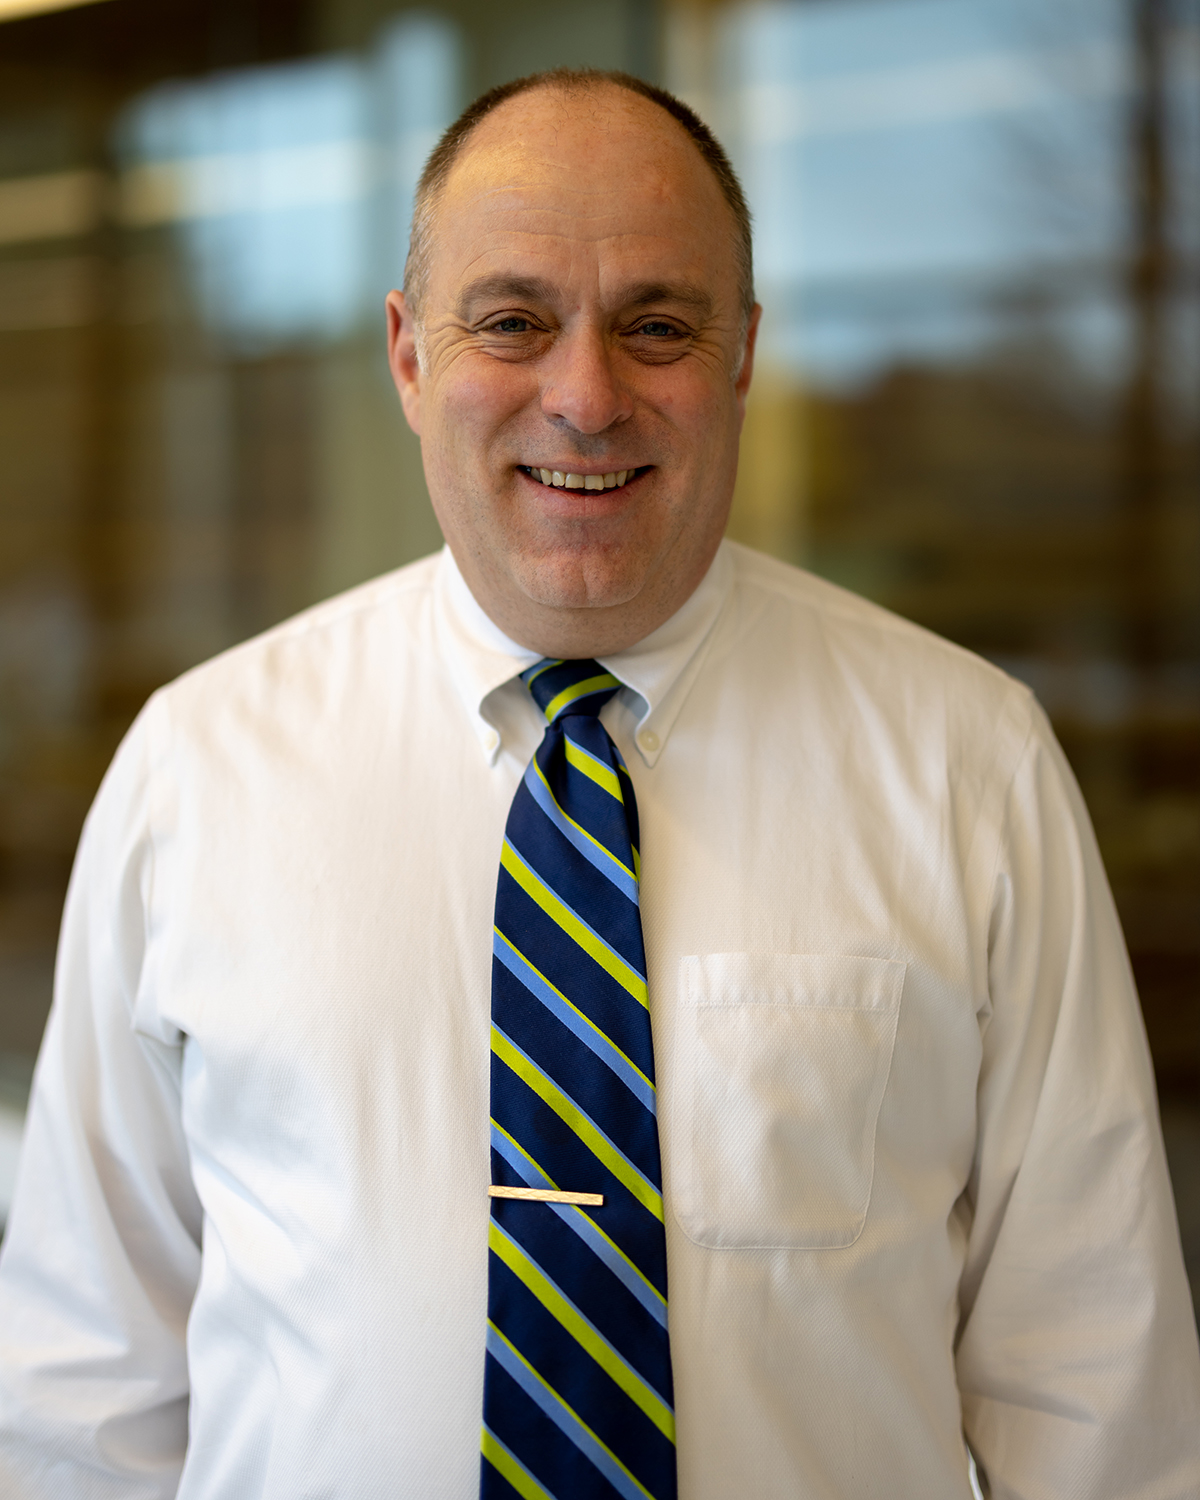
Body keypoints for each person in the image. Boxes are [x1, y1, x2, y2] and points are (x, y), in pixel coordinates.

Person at [0, 67, 1197, 1500]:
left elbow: (1093, 1389)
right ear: (407, 358)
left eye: (658, 327)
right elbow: (84, 1392)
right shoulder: (196, 769)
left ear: (741, 359)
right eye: (512, 321)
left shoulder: (969, 765)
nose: (584, 398)